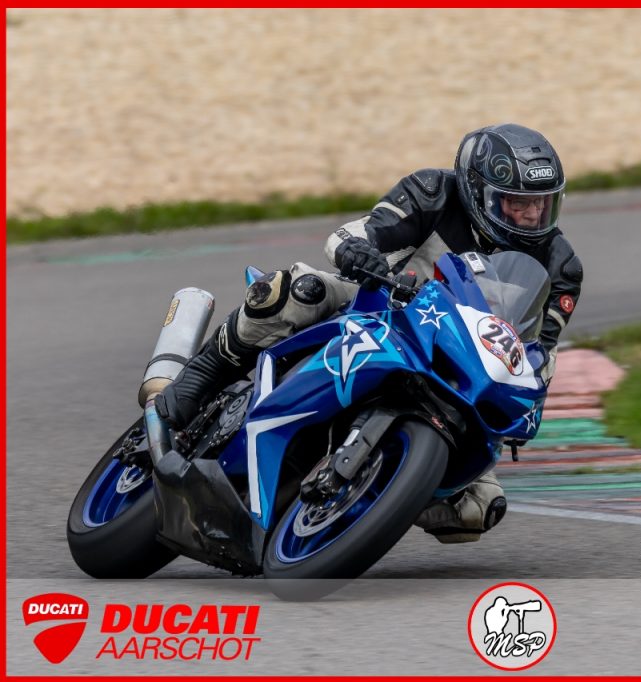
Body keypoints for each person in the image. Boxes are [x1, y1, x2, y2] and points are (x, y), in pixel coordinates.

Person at [154, 123, 584, 543]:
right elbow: (352, 234)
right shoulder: (434, 192)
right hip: (380, 304)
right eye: (517, 202)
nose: (532, 216)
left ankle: (375, 495)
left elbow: (540, 353)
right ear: (477, 191)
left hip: (460, 366)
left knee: (479, 508)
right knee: (293, 291)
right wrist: (359, 253)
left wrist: (527, 393)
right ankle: (203, 373)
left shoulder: (561, 266)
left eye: (543, 204)